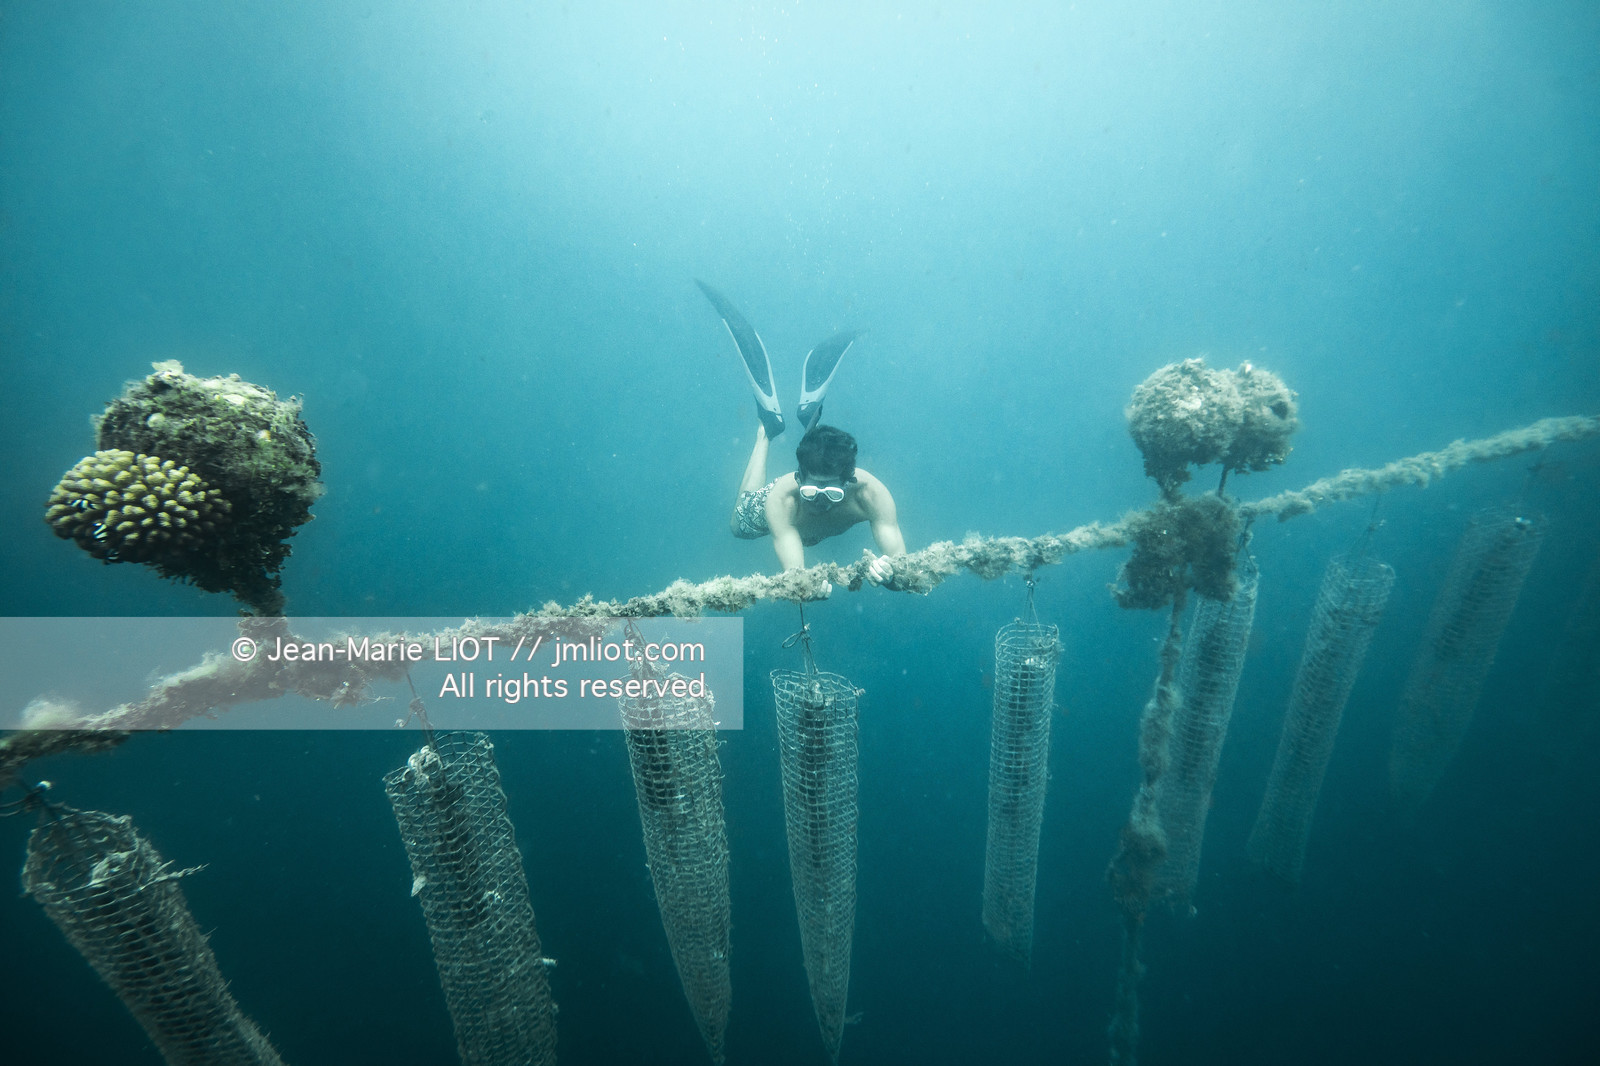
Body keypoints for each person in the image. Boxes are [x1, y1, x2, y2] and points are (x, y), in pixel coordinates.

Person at [698, 280, 907, 587]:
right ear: (798, 477)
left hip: (811, 515)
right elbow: (795, 575)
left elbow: (901, 562)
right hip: (786, 513)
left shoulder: (871, 495)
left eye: (832, 493)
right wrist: (806, 588)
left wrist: (890, 574)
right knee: (739, 524)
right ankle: (766, 430)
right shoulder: (782, 499)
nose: (820, 502)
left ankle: (808, 418)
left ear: (849, 481)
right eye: (812, 491)